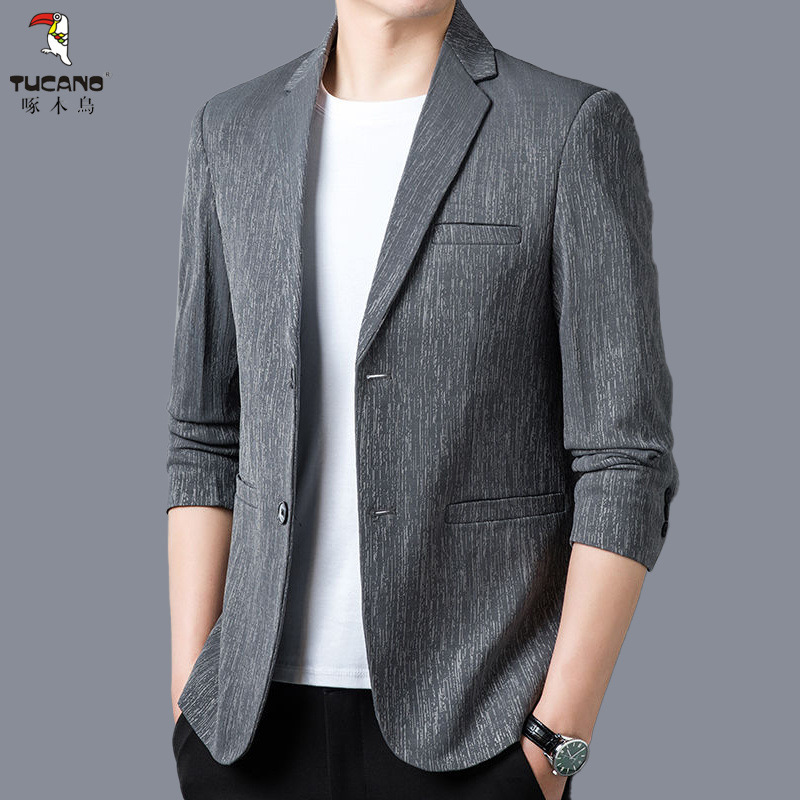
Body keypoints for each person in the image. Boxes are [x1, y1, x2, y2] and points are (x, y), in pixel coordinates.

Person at [166, 1, 679, 798]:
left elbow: (625, 459)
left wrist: (556, 743)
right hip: (247, 732)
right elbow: (204, 432)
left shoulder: (567, 127)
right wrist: (188, 698)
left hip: (479, 730)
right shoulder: (231, 129)